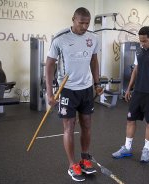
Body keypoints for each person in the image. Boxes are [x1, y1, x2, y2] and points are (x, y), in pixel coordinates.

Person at [45, 7, 103, 182]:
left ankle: (85, 158)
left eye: (87, 23)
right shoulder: (60, 38)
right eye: (81, 23)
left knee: (86, 124)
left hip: (85, 88)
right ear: (73, 19)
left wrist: (97, 83)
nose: (84, 26)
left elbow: (94, 60)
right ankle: (72, 165)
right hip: (67, 89)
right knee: (69, 127)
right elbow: (49, 65)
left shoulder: (93, 38)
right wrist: (50, 92)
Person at [112, 26, 149, 163]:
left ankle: (146, 149)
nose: (142, 44)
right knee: (130, 120)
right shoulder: (139, 51)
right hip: (138, 92)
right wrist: (128, 88)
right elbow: (136, 70)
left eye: (144, 41)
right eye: (140, 41)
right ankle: (127, 148)